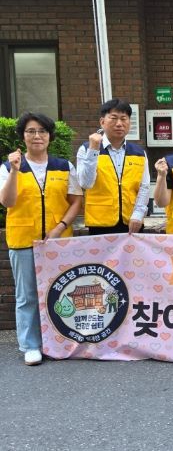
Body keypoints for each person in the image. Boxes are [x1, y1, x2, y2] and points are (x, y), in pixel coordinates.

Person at [0, 112, 83, 365]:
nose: (37, 136)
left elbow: (76, 201)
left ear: (50, 136)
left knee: (62, 292)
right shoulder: (8, 167)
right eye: (31, 131)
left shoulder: (63, 166)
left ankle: (60, 340)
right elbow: (7, 202)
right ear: (23, 136)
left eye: (42, 131)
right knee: (27, 296)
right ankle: (30, 345)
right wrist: (15, 171)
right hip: (23, 239)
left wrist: (60, 227)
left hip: (58, 241)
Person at [76, 99, 149, 235]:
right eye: (114, 118)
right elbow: (85, 183)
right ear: (102, 122)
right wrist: (93, 151)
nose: (119, 123)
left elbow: (144, 187)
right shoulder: (86, 149)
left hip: (132, 221)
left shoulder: (139, 152)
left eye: (124, 119)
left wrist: (138, 214)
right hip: (100, 223)